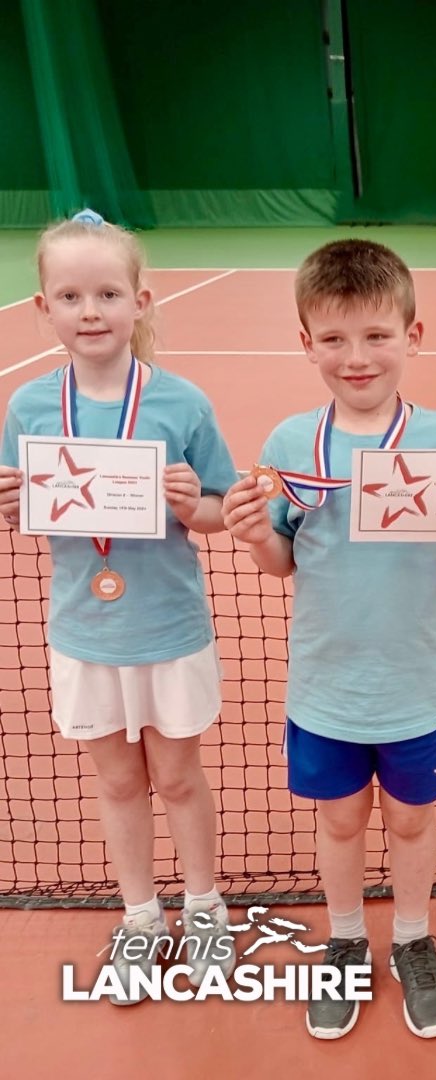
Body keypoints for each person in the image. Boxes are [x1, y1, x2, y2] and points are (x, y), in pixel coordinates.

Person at [222, 239, 436, 1039]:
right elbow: (281, 562)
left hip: (416, 685)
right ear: (306, 343)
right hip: (326, 688)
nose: (357, 358)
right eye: (335, 339)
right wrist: (253, 534)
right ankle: (348, 939)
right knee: (341, 822)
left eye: (377, 336)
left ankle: (413, 939)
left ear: (412, 337)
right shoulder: (291, 445)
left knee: (414, 822)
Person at [0, 210, 238, 1002]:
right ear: (44, 309)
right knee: (114, 782)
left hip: (168, 627)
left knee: (176, 775)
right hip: (82, 630)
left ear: (141, 300)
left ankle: (204, 907)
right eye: (70, 296)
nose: (91, 311)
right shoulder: (31, 408)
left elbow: (217, 508)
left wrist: (188, 502)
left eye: (108, 293)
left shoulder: (182, 402)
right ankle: (142, 916)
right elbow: (23, 502)